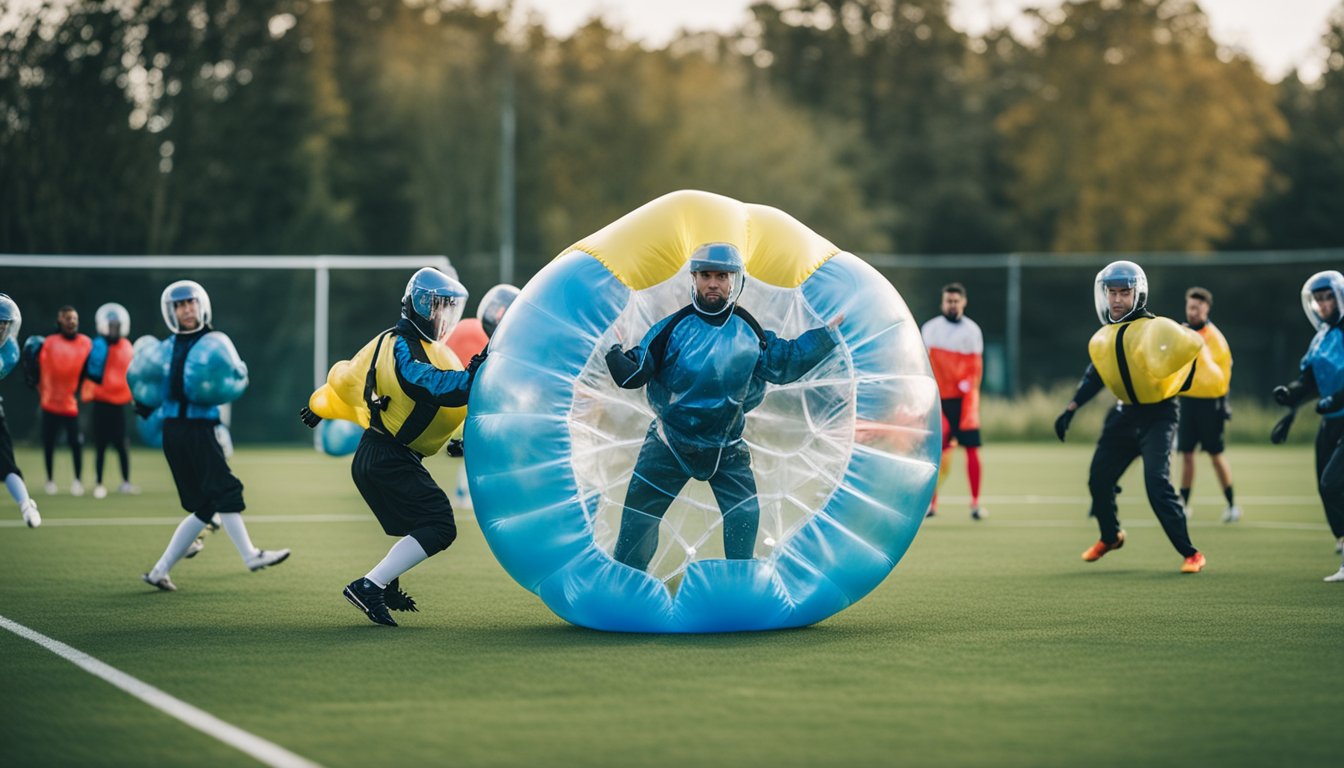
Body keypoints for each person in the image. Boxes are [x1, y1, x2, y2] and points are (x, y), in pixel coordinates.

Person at [604, 243, 843, 571]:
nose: (712, 283)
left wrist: (829, 335)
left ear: (735, 281)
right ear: (693, 278)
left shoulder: (748, 328)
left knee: (745, 514)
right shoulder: (671, 328)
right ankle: (625, 582)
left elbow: (785, 362)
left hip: (726, 445)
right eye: (705, 275)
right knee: (639, 516)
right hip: (668, 443)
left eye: (721, 276)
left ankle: (739, 584)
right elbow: (634, 372)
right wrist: (611, 346)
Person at [301, 267, 480, 627]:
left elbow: (349, 376)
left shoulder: (406, 343)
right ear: (418, 305)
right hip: (386, 456)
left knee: (419, 523)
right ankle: (369, 585)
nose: (441, 317)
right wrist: (473, 379)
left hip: (383, 456)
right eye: (437, 307)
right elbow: (423, 383)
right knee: (441, 524)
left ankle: (383, 584)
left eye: (447, 309)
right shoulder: (401, 345)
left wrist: (461, 436)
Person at [1054, 261, 1207, 574]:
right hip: (1123, 415)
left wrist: (1186, 375)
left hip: (1160, 415)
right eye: (1112, 292)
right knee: (1098, 479)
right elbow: (1094, 376)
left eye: (1124, 292)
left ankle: (1191, 553)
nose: (1117, 299)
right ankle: (1110, 537)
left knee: (1156, 483)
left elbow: (1187, 355)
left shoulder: (1154, 328)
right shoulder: (1106, 336)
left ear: (1138, 294)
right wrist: (1071, 407)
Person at [138, 280, 289, 591]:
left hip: (200, 428)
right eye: (179, 305)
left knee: (207, 506)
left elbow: (235, 379)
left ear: (201, 304)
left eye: (190, 302)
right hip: (177, 433)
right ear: (172, 311)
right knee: (224, 491)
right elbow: (147, 389)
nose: (186, 309)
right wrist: (141, 400)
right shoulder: (165, 348)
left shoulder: (213, 343)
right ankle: (251, 556)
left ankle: (158, 571)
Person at [1269, 270, 1344, 582]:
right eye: (1318, 299)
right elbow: (1309, 380)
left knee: (1332, 483)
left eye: (1328, 297)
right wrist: (1291, 394)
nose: (1323, 304)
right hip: (1330, 423)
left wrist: (1336, 400)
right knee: (1325, 488)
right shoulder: (1321, 337)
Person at [921, 282, 986, 520]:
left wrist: (970, 388)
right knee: (936, 452)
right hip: (937, 401)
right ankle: (932, 504)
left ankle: (975, 503)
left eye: (956, 301)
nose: (952, 305)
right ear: (943, 302)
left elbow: (975, 367)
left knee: (972, 450)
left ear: (963, 302)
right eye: (948, 300)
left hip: (964, 402)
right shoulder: (929, 329)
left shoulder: (972, 331)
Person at [1176, 287, 1238, 522]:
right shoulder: (1182, 333)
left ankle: (1232, 505)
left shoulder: (1214, 338)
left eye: (1197, 307)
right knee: (1187, 454)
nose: (1192, 312)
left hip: (1211, 405)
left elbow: (1219, 375)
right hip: (1188, 402)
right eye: (1190, 307)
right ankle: (1183, 504)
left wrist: (1193, 342)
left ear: (1206, 309)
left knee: (1215, 454)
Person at [33, 305, 91, 496]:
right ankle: (50, 481)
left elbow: (89, 369)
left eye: (74, 318)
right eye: (67, 318)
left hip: (70, 404)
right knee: (49, 443)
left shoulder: (85, 343)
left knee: (76, 444)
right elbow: (37, 370)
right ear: (60, 321)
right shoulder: (49, 342)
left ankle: (77, 482)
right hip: (49, 403)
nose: (71, 321)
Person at [83, 302, 137, 499]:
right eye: (110, 325)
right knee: (101, 445)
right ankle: (98, 483)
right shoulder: (97, 346)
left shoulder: (127, 346)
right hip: (100, 404)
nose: (114, 329)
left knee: (122, 445)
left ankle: (126, 482)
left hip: (119, 405)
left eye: (117, 325)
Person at [0, 294, 40, 527]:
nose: (3, 327)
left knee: (7, 466)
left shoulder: (10, 351)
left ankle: (26, 505)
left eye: (5, 323)